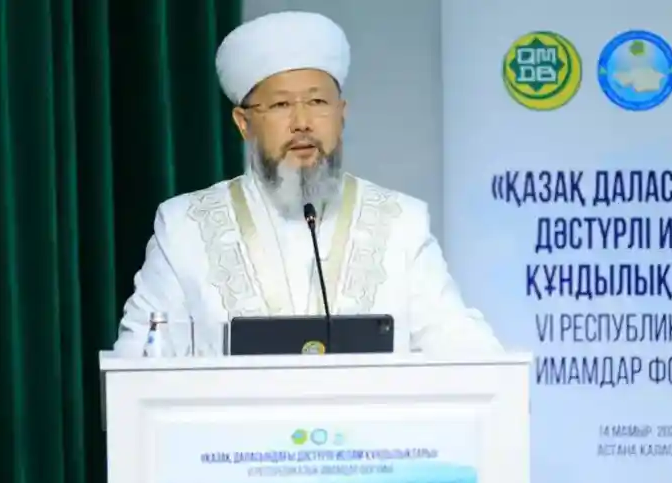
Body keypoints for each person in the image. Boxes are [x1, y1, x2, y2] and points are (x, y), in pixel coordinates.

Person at [112, 11, 502, 356]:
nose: (302, 123)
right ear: (244, 123)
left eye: (317, 103)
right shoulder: (185, 226)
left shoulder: (401, 222)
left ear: (341, 114)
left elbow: (463, 347)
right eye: (281, 105)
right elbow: (138, 362)